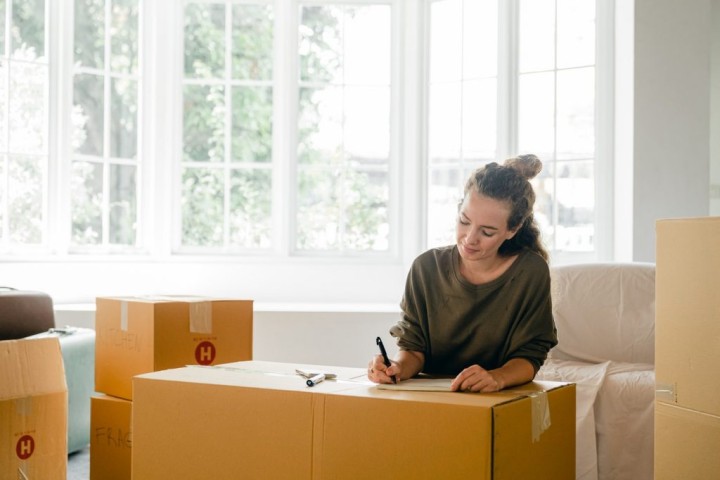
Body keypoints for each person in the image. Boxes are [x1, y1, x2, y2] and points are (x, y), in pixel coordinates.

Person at [368, 154, 557, 393]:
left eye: (487, 232)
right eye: (464, 221)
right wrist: (395, 368)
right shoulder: (426, 268)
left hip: (497, 397)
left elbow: (531, 355)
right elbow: (414, 349)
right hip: (431, 398)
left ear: (513, 229)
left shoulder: (530, 272)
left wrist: (496, 377)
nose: (470, 239)